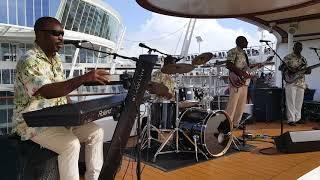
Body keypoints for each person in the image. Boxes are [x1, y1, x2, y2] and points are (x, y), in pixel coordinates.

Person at [11, 17, 109, 180]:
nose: (61, 38)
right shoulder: (28, 60)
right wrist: (83, 78)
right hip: (32, 123)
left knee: (96, 132)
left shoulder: (56, 60)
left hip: (58, 118)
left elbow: (62, 90)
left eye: (62, 34)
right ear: (39, 35)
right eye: (55, 34)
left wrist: (74, 113)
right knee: (70, 144)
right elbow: (47, 91)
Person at [225, 36, 261, 128]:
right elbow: (229, 64)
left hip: (244, 82)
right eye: (245, 41)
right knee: (233, 103)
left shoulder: (244, 53)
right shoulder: (233, 51)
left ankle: (236, 123)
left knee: (241, 104)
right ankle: (228, 124)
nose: (247, 43)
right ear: (239, 42)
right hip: (236, 79)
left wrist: (255, 66)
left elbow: (246, 68)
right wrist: (240, 73)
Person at [279, 42, 311, 126]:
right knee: (290, 101)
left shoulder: (304, 59)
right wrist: (289, 69)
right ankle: (291, 119)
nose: (298, 49)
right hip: (291, 81)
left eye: (300, 47)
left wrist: (308, 71)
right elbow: (280, 67)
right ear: (293, 48)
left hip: (301, 82)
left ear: (302, 49)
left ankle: (297, 118)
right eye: (297, 47)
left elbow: (305, 70)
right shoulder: (288, 57)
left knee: (299, 102)